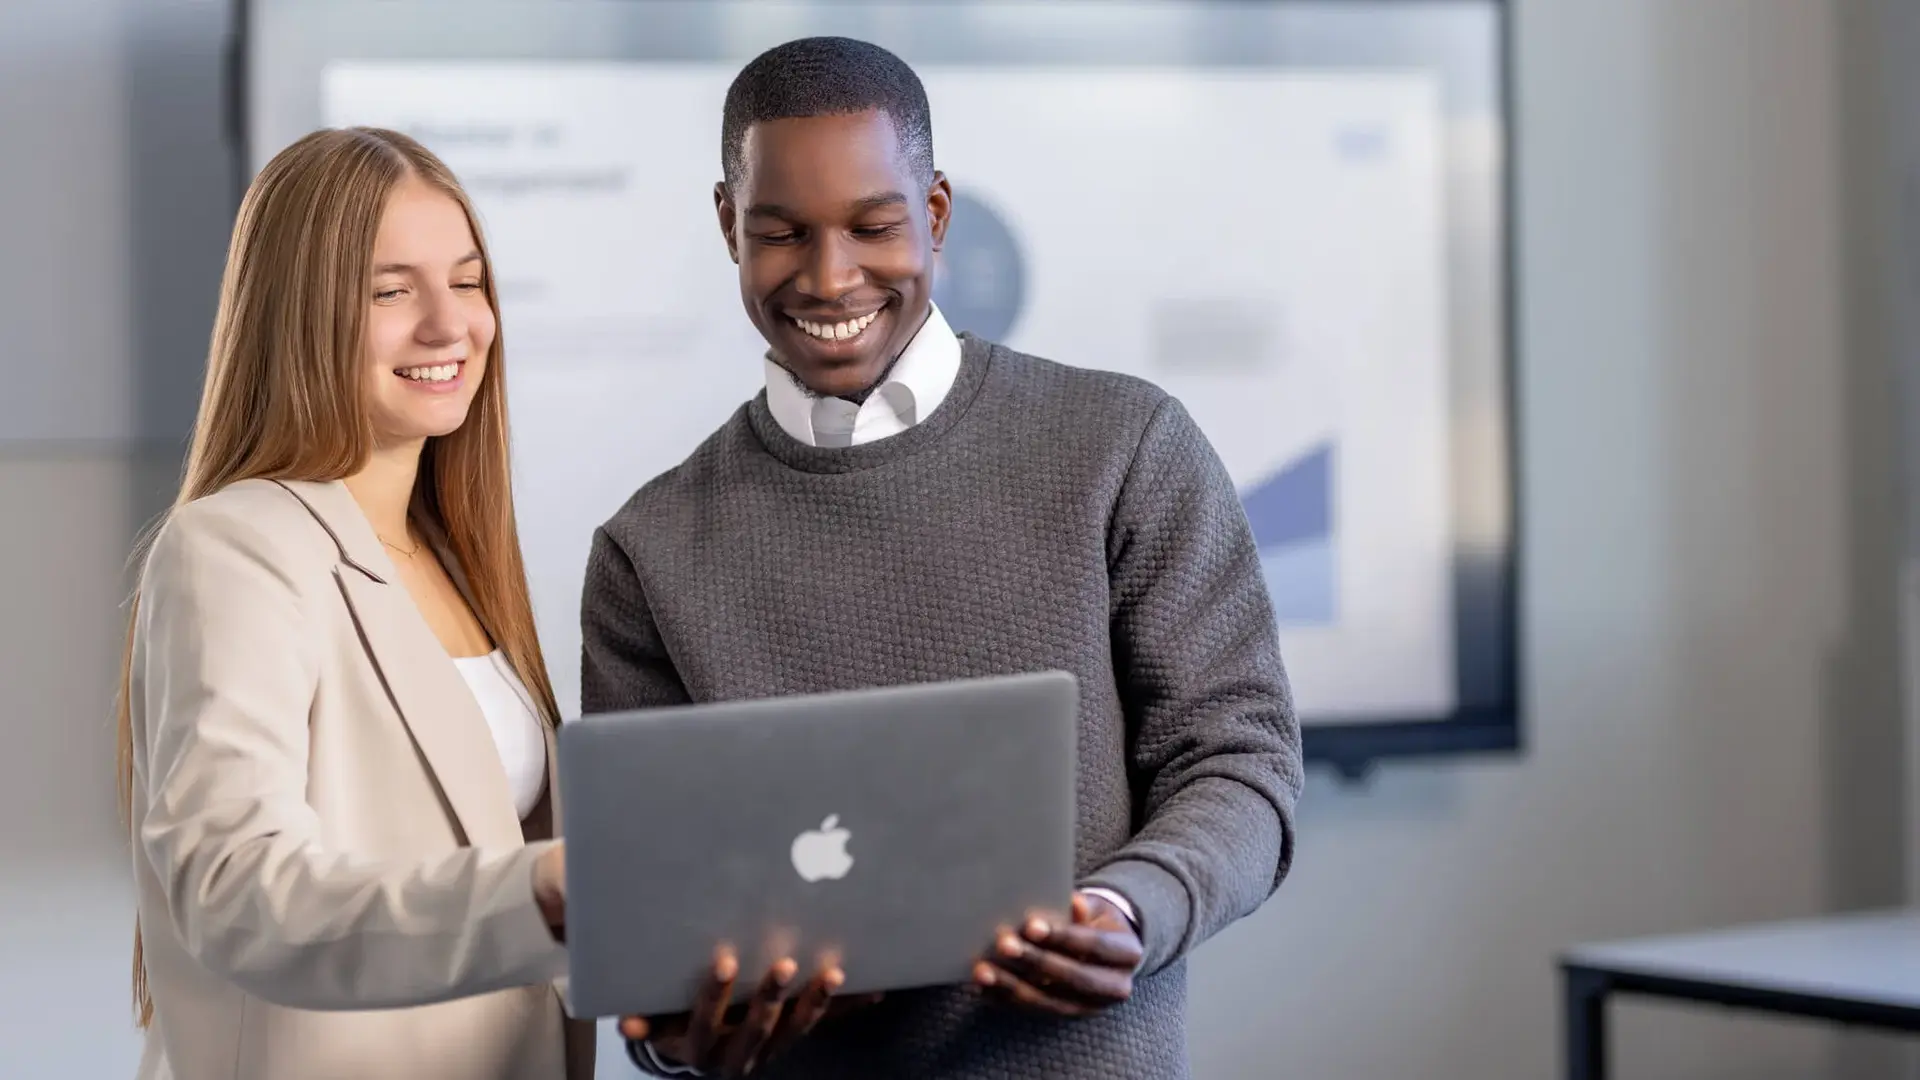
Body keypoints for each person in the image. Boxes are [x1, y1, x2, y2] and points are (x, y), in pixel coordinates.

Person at [580, 36, 1303, 1080]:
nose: (832, 277)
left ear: (937, 213)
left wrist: (1130, 910)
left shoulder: (1122, 445)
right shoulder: (649, 552)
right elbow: (654, 934)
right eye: (781, 232)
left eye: (874, 227)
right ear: (728, 223)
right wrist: (679, 1039)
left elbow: (1242, 764)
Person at [117, 126, 595, 1080]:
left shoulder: (455, 557)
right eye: (390, 291)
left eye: (466, 282)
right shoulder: (237, 545)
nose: (449, 325)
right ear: (297, 316)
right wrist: (537, 894)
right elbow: (234, 886)